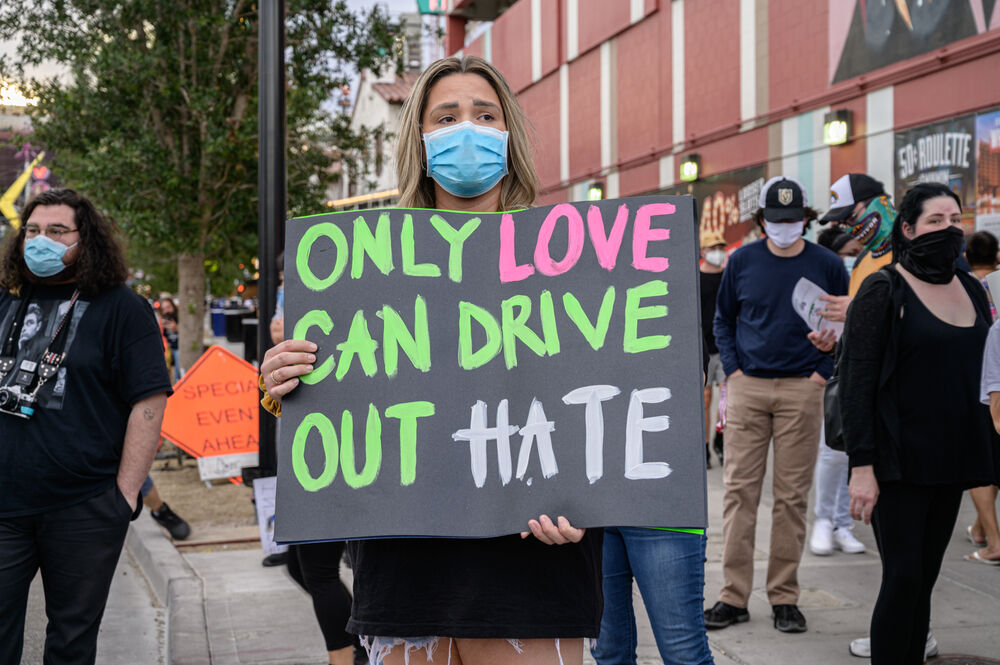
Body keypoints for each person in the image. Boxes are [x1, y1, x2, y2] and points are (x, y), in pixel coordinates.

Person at [260, 56, 603, 665]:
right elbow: (337, 436)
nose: (466, 129)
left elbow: (603, 410)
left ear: (510, 136)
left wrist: (591, 506)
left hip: (530, 574)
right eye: (446, 117)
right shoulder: (358, 273)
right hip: (404, 576)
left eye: (485, 115)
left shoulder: (573, 269)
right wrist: (285, 386)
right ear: (419, 140)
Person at [0, 188, 172, 665]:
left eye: (56, 231)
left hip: (83, 506)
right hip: (5, 505)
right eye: (32, 231)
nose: (41, 241)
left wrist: (125, 495)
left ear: (85, 238)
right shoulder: (6, 299)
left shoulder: (122, 308)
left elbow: (149, 401)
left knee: (71, 645)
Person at [842, 182, 998, 664]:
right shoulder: (884, 289)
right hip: (898, 460)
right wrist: (861, 466)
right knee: (903, 577)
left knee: (925, 578)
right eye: (935, 221)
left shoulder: (972, 288)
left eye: (955, 220)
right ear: (907, 229)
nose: (948, 229)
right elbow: (856, 382)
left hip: (952, 457)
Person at [705, 176, 848, 634]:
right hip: (748, 387)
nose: (784, 227)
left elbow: (846, 323)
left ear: (804, 219)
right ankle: (734, 596)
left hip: (801, 388)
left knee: (790, 498)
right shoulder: (742, 261)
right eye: (775, 220)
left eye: (792, 220)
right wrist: (735, 370)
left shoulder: (827, 263)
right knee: (739, 493)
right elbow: (723, 320)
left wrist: (821, 372)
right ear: (762, 220)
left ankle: (784, 596)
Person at [807, 229, 866, 557]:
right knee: (831, 449)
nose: (851, 259)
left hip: (861, 367)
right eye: (849, 252)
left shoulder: (864, 278)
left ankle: (844, 522)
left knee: (851, 452)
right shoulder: (822, 282)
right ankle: (824, 519)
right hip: (833, 371)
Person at [700, 231, 726, 468]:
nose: (717, 251)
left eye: (721, 246)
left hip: (727, 345)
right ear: (704, 251)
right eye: (713, 247)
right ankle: (705, 447)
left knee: (727, 399)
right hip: (705, 348)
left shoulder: (729, 276)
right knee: (706, 398)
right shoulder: (696, 278)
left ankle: (721, 439)